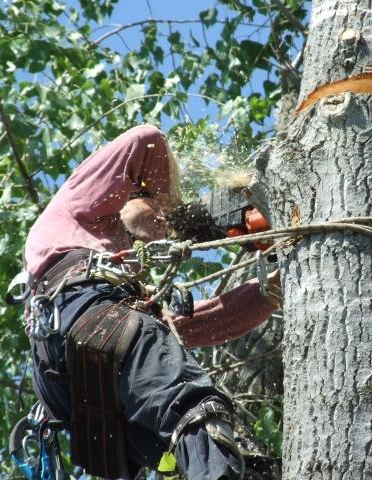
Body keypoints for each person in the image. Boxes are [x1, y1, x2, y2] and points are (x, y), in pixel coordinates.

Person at [17, 125, 280, 480]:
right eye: (151, 205)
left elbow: (196, 325)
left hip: (87, 400)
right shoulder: (76, 211)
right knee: (194, 409)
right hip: (79, 335)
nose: (159, 220)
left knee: (190, 455)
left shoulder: (120, 294)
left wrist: (279, 286)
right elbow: (147, 138)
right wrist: (180, 217)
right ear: (125, 196)